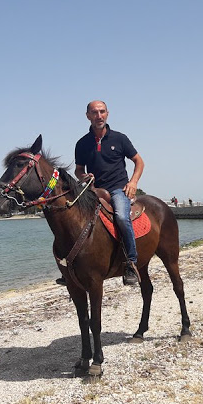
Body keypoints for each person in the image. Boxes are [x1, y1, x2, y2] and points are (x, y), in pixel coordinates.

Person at [75, 100, 144, 286]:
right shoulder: (82, 144)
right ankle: (72, 267)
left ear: (107, 114)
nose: (99, 116)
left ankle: (131, 262)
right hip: (94, 190)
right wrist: (83, 176)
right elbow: (78, 170)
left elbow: (139, 162)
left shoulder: (120, 138)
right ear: (88, 116)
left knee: (121, 217)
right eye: (94, 112)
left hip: (117, 189)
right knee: (72, 218)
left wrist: (133, 182)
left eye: (102, 112)